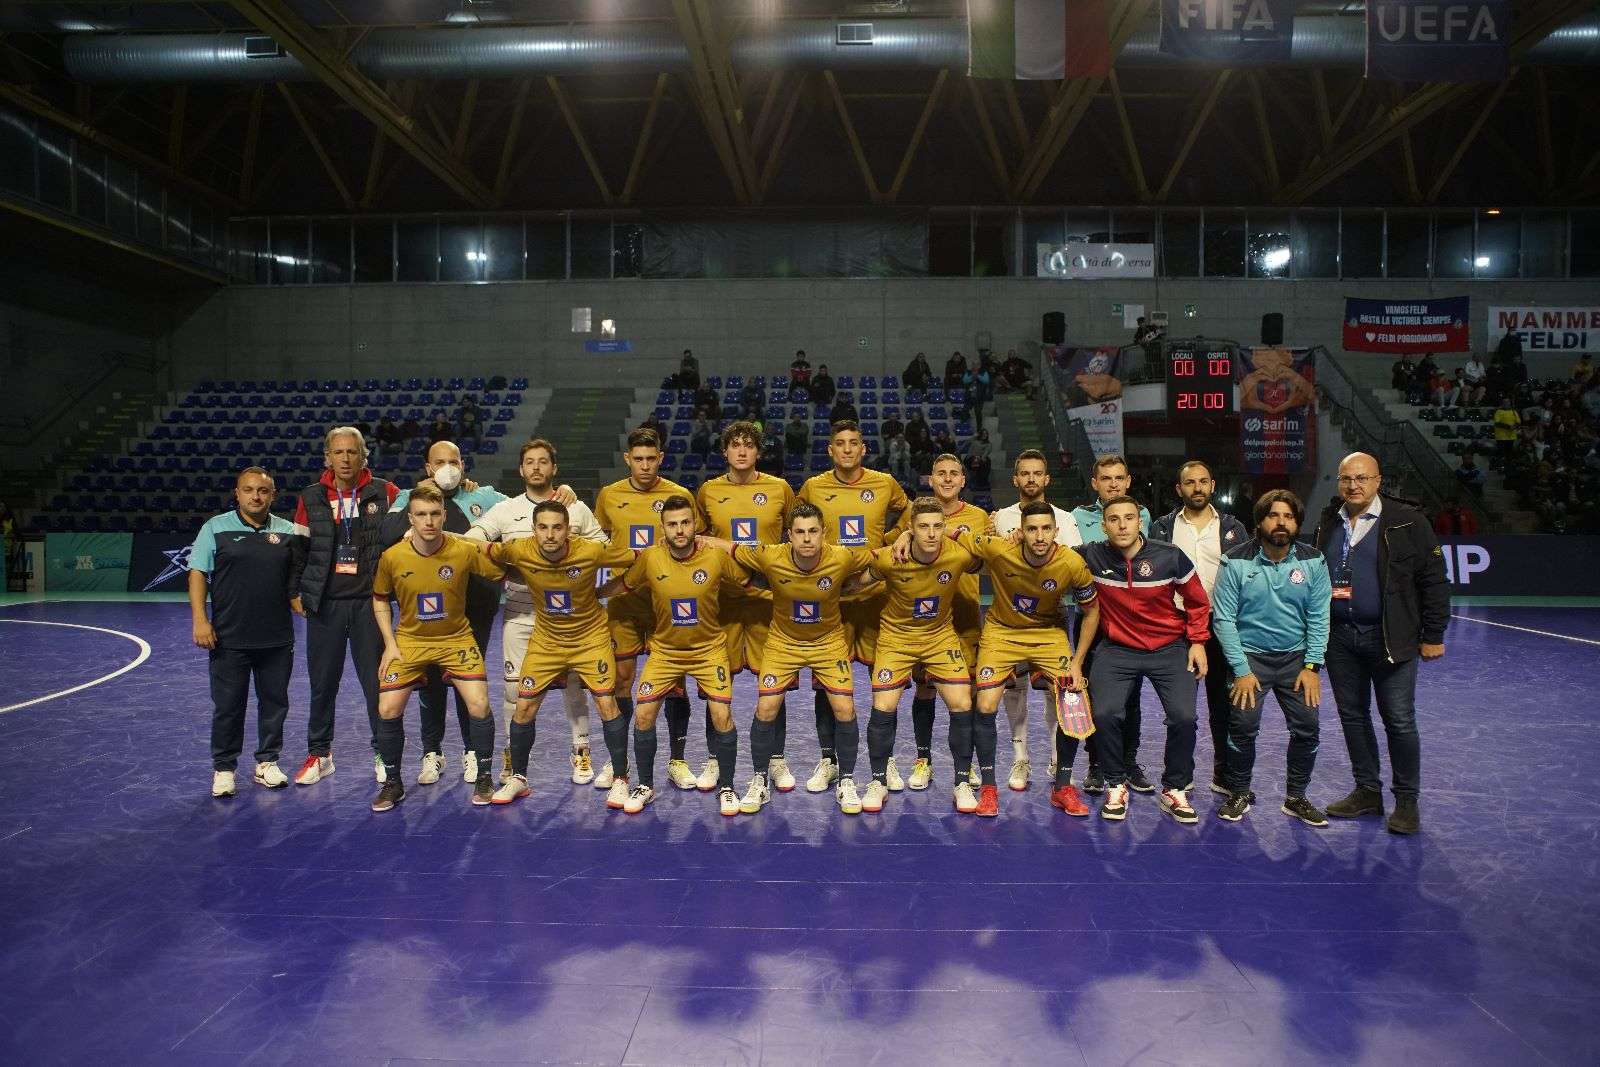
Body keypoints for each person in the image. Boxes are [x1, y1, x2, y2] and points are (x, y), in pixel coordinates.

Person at [894, 501, 1099, 817]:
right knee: (985, 704)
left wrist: (1077, 661)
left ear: (1056, 531)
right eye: (1032, 529)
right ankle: (989, 788)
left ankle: (1063, 787)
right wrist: (909, 533)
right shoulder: (999, 548)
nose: (1039, 536)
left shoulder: (1071, 563)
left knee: (1072, 699)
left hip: (1047, 633)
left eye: (1046, 529)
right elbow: (955, 532)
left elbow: (1092, 610)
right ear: (1021, 531)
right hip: (1001, 633)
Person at [700, 503, 875, 814]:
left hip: (828, 642)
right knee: (766, 707)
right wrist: (701, 539)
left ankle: (846, 780)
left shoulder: (843, 556)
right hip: (783, 643)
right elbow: (734, 548)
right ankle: (759, 781)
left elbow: (880, 557)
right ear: (789, 536)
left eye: (813, 532)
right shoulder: (771, 556)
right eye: (799, 532)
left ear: (824, 534)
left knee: (844, 707)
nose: (806, 539)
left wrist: (903, 541)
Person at [1313, 453, 1449, 835]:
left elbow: (1434, 581)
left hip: (1391, 638)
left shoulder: (1409, 521)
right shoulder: (1328, 521)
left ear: (1378, 481)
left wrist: (1434, 634)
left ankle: (1407, 801)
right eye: (1346, 479)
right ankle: (1368, 792)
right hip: (1340, 639)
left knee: (1399, 721)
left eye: (1361, 478)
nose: (1353, 485)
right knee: (1353, 718)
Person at [479, 500, 637, 809]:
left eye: (557, 527)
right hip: (547, 641)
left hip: (590, 639)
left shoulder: (591, 551)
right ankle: (519, 778)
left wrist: (612, 589)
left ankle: (620, 779)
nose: (550, 534)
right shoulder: (518, 549)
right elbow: (481, 552)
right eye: (543, 527)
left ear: (568, 530)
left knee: (606, 703)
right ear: (534, 529)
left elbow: (637, 559)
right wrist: (444, 535)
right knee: (523, 707)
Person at [468, 439, 606, 788]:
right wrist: (502, 573)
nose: (536, 468)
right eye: (530, 462)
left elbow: (602, 550)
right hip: (520, 613)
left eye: (543, 461)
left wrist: (589, 588)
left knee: (575, 684)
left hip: (570, 617)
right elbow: (472, 541)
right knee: (514, 691)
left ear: (553, 468)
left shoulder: (575, 509)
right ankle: (513, 755)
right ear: (521, 469)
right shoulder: (505, 509)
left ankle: (581, 751)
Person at [598, 496, 746, 815]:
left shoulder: (716, 558)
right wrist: (590, 596)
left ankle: (729, 787)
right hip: (665, 652)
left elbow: (747, 584)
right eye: (672, 524)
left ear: (695, 524)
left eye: (685, 522)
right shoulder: (650, 558)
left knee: (721, 716)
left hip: (709, 650)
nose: (680, 530)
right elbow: (623, 585)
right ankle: (646, 785)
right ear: (662, 528)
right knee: (643, 714)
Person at [368, 483, 506, 811]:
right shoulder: (392, 557)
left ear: (444, 515)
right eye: (420, 515)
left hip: (456, 639)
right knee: (387, 708)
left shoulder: (462, 549)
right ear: (410, 519)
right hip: (410, 642)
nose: (428, 521)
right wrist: (389, 644)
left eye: (434, 514)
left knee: (479, 704)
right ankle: (393, 783)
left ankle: (485, 775)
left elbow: (500, 568)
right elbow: (380, 599)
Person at [1077, 497, 1212, 825]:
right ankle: (1115, 782)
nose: (1122, 525)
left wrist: (1197, 641)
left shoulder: (1169, 556)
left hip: (1169, 648)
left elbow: (1197, 600)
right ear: (1104, 525)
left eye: (1129, 518)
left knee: (1184, 718)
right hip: (1117, 649)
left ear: (1141, 522)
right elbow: (1048, 552)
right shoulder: (1091, 555)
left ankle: (1174, 789)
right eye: (1113, 519)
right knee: (1105, 714)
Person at [795, 420, 910, 793]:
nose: (847, 449)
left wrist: (890, 543)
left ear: (863, 449)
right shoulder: (813, 486)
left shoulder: (883, 483)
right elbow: (799, 528)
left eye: (854, 443)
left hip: (878, 597)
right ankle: (829, 759)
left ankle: (886, 759)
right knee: (827, 684)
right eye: (840, 444)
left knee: (885, 684)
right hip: (834, 600)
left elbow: (908, 516)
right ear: (830, 450)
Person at [844, 498, 978, 812]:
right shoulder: (891, 559)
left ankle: (961, 782)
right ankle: (878, 781)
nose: (931, 534)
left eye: (937, 526)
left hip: (939, 638)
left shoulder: (958, 555)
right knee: (884, 705)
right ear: (910, 529)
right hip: (896, 640)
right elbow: (854, 584)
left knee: (962, 703)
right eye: (922, 527)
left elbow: (1002, 559)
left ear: (945, 528)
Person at [1209, 490, 1331, 827]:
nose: (1281, 522)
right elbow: (1224, 619)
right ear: (1260, 522)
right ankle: (1239, 792)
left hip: (1297, 661)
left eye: (1289, 517)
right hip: (1251, 660)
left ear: (1296, 523)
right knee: (1243, 728)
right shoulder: (1234, 561)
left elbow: (1320, 616)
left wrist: (1312, 666)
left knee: (1307, 729)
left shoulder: (1313, 561)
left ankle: (1296, 797)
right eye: (1274, 516)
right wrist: (1242, 669)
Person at [289, 427, 400, 787]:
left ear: (364, 455)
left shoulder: (385, 492)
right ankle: (320, 754)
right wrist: (295, 592)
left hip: (371, 604)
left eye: (353, 452)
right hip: (325, 605)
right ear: (328, 457)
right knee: (322, 684)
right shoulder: (311, 496)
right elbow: (297, 552)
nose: (346, 459)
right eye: (338, 452)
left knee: (376, 684)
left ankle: (383, 752)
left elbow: (421, 504)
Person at [593, 427, 702, 791]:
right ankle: (620, 758)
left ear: (661, 458)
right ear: (627, 459)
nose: (644, 465)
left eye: (650, 458)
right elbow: (595, 541)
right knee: (622, 680)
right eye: (637, 459)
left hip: (666, 608)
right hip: (623, 605)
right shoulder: (609, 496)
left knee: (675, 683)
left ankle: (678, 759)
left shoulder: (679, 495)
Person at [190, 467, 306, 797]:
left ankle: (267, 762)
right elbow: (198, 573)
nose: (255, 496)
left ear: (273, 495)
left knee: (275, 702)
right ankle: (224, 768)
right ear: (237, 493)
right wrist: (200, 619)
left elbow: (296, 581)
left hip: (277, 637)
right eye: (248, 490)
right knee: (228, 705)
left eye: (263, 491)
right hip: (228, 637)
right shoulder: (215, 527)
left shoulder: (288, 531)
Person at [695, 421, 798, 791]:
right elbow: (694, 537)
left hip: (767, 602)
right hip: (719, 602)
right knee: (714, 684)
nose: (742, 451)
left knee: (773, 683)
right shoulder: (707, 491)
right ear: (725, 452)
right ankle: (712, 759)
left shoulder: (779, 489)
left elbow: (796, 536)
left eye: (749, 445)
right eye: (735, 445)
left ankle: (775, 758)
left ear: (758, 452)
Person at [886, 458, 988, 791]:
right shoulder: (914, 513)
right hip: (925, 622)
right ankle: (923, 760)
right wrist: (902, 534)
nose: (947, 479)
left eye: (953, 474)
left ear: (963, 480)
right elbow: (890, 548)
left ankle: (967, 763)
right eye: (940, 473)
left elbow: (989, 555)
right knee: (925, 688)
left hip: (966, 615)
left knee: (966, 695)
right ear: (931, 479)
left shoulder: (979, 517)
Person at [1149, 460, 1249, 796]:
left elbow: (1245, 579)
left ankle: (1224, 775)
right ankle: (1181, 775)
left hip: (1222, 628)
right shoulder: (1163, 529)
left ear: (1212, 485)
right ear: (1179, 489)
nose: (1197, 488)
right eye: (1190, 482)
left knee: (1225, 708)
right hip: (1177, 629)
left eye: (1203, 481)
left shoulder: (1234, 528)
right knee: (1183, 712)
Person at [988, 449, 1083, 789]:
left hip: (1051, 619)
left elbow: (1075, 566)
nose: (1030, 479)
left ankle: (1058, 758)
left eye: (1037, 473)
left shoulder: (1064, 519)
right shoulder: (1000, 519)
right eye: (1024, 473)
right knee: (1014, 690)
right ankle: (1020, 759)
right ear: (1016, 479)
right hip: (1011, 619)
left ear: (1047, 479)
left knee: (1053, 690)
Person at [1070, 455, 1152, 795]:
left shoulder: (1143, 515)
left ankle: (1129, 762)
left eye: (1119, 477)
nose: (1113, 484)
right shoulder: (1076, 517)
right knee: (1091, 694)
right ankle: (1096, 764)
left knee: (1130, 697)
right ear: (1095, 483)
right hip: (1091, 618)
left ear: (1129, 481)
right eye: (1106, 478)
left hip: (1131, 620)